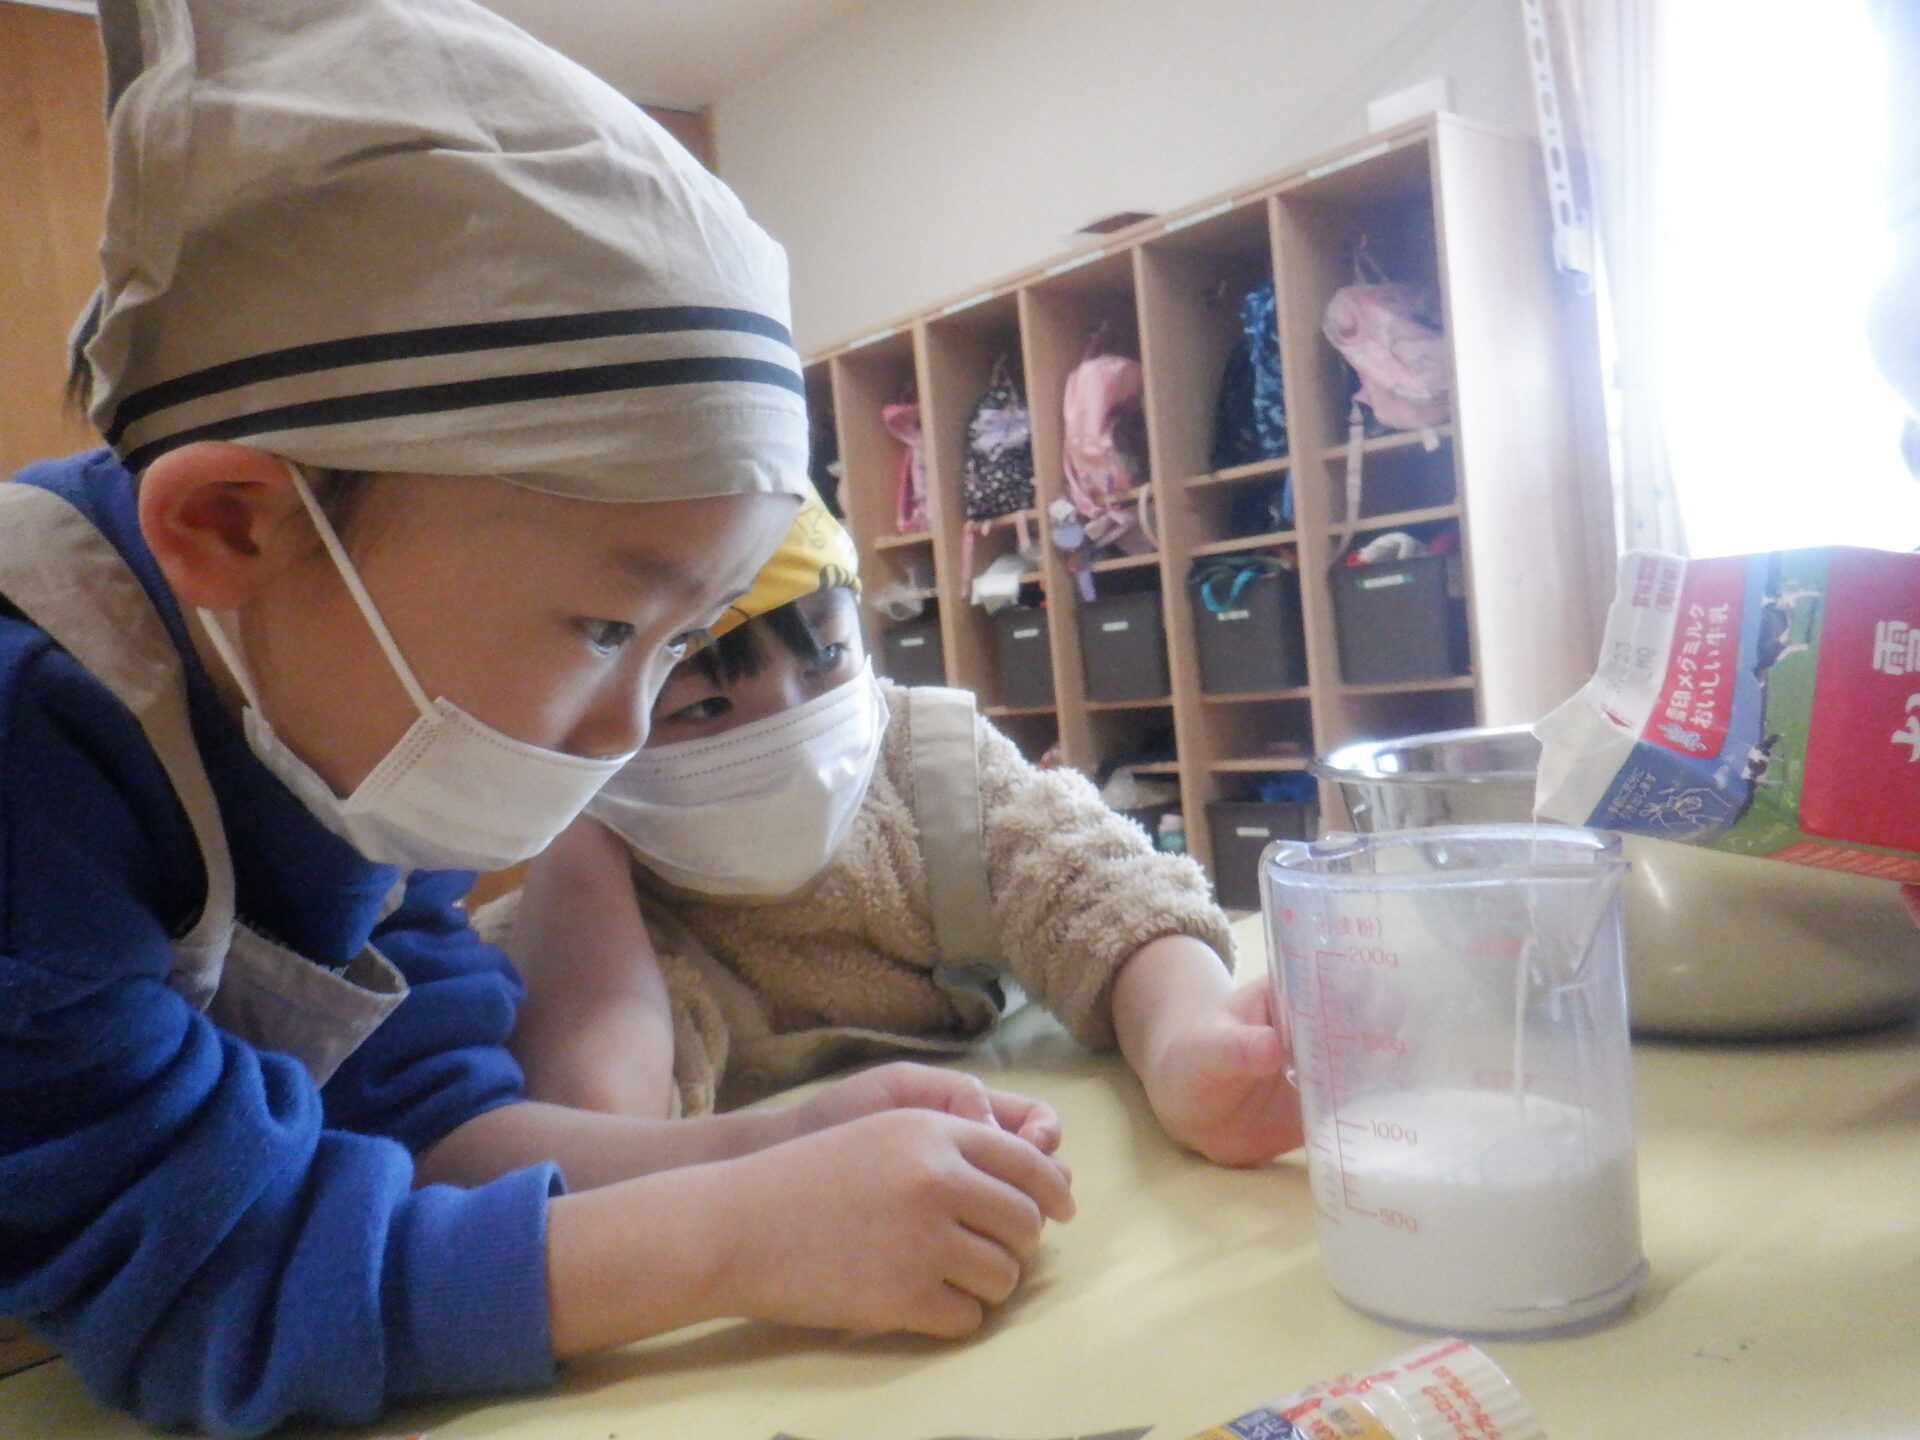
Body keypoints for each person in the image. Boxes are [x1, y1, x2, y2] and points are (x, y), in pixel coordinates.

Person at [0, 2, 1072, 1434]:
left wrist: (767, 1146)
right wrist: (730, 1239)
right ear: (236, 524)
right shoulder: (30, 743)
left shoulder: (331, 717)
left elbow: (424, 1122)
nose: (627, 727)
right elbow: (209, 1281)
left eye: (684, 641)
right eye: (607, 629)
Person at [488, 497, 1305, 1169]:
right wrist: (576, 826)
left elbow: (1101, 891)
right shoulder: (599, 906)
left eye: (826, 658)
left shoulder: (927, 762)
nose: (798, 732)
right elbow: (602, 1132)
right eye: (702, 707)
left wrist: (1185, 1040)